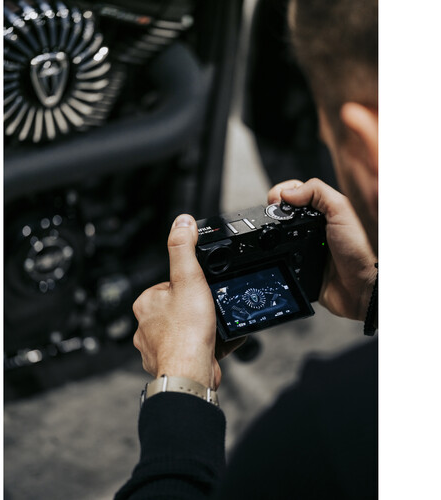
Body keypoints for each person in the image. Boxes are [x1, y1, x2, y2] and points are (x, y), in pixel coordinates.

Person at [115, 0, 378, 497]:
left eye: (328, 138)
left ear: (368, 147)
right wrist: (374, 294)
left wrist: (181, 382)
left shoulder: (317, 433)